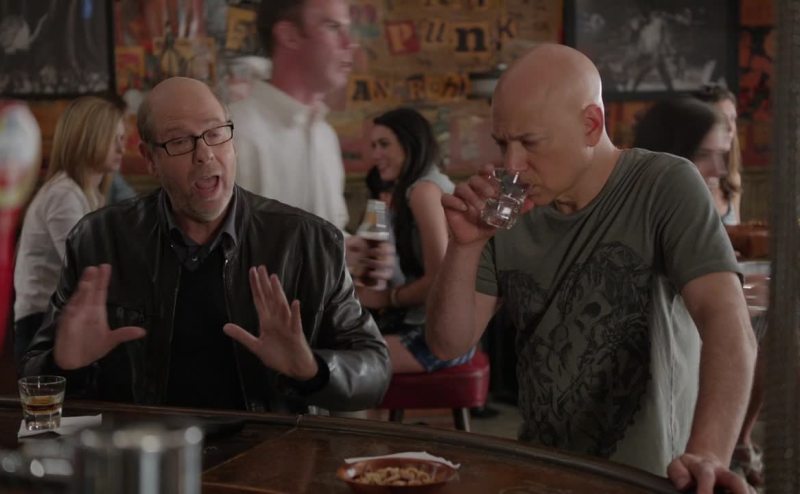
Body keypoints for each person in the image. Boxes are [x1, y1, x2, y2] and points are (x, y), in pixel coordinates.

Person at [426, 44, 756, 493]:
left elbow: (727, 322)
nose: (512, 165)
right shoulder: (506, 208)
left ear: (590, 125)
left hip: (652, 477)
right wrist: (465, 248)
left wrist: (710, 454)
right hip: (544, 472)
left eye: (530, 143)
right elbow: (448, 344)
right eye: (503, 143)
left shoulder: (664, 185)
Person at [19, 77, 390, 414]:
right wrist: (65, 365)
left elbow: (374, 369)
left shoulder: (308, 241)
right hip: (144, 449)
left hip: (270, 451)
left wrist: (311, 370)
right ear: (150, 159)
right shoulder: (99, 239)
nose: (205, 154)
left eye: (215, 133)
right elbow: (35, 376)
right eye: (180, 141)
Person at [633, 96, 765, 488]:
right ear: (673, 150)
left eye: (721, 155)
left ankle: (740, 441)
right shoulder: (654, 208)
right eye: (705, 155)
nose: (719, 169)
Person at [356, 108, 474, 373]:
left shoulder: (423, 190)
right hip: (430, 323)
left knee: (342, 360)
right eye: (373, 146)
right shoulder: (411, 188)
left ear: (410, 144)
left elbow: (440, 280)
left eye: (384, 144)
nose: (375, 155)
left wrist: (386, 298)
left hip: (440, 333)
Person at [13, 96, 125, 362]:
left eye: (122, 138)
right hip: (41, 321)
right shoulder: (64, 194)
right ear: (88, 139)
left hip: (59, 317)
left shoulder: (90, 194)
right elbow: (86, 264)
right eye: (113, 139)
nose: (122, 148)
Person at [230, 0, 354, 231]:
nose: (349, 43)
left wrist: (349, 247)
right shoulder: (233, 134)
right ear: (289, 36)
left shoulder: (325, 135)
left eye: (347, 29)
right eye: (333, 27)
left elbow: (327, 234)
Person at [694, 84, 742, 225]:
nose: (730, 127)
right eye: (722, 119)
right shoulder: (688, 173)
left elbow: (738, 232)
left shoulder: (733, 177)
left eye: (733, 118)